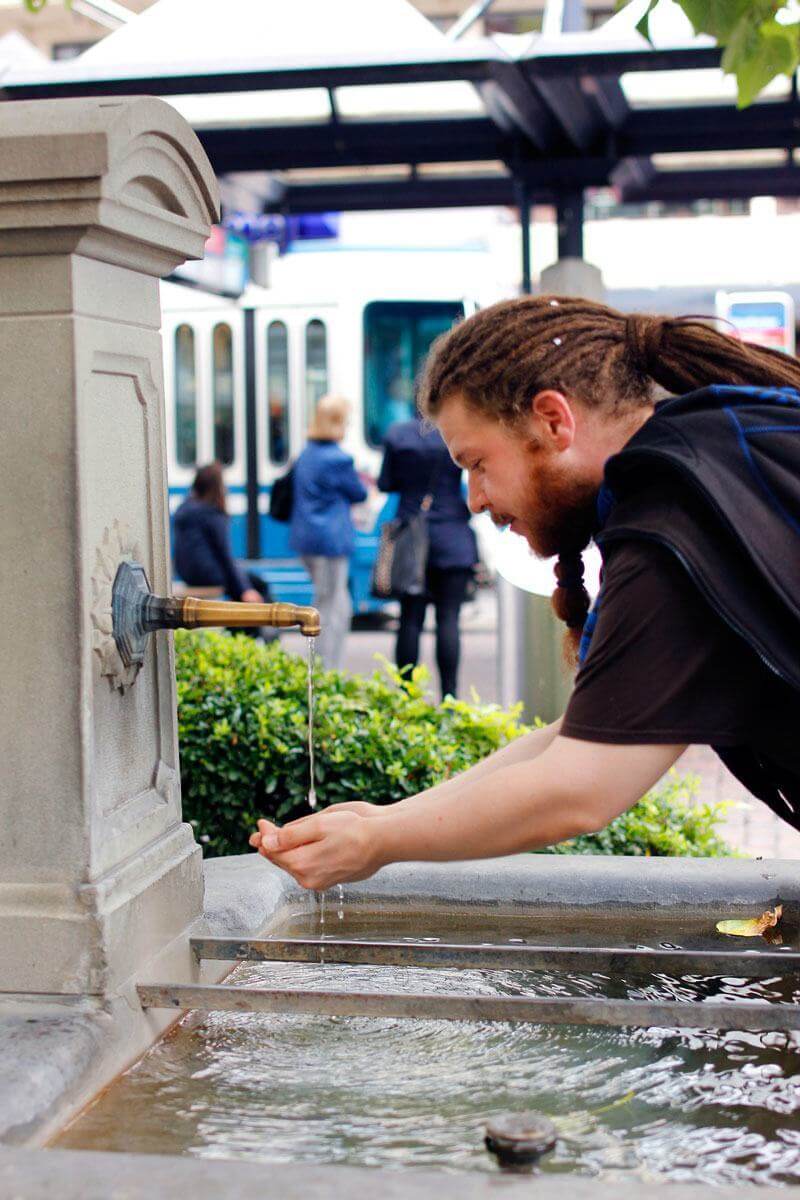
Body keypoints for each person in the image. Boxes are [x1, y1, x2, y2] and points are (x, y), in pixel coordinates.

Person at [251, 295, 800, 890]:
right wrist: (384, 822)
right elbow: (579, 737)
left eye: (478, 463)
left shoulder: (675, 520)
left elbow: (580, 788)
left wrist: (379, 842)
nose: (475, 499)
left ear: (553, 421)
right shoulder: (718, 456)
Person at [377, 417, 478, 699]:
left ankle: (406, 695)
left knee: (409, 620)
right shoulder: (457, 430)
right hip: (452, 536)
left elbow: (386, 483)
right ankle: (449, 697)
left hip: (411, 538)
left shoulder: (398, 435)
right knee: (449, 619)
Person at [290, 394, 367, 669]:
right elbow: (358, 493)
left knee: (338, 603)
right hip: (330, 543)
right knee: (330, 606)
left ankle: (327, 664)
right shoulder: (339, 459)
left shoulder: (306, 454)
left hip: (306, 540)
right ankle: (324, 669)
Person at [172, 463, 270, 636]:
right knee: (257, 585)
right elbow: (225, 557)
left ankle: (238, 635)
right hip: (208, 574)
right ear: (217, 487)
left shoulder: (185, 508)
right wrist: (245, 589)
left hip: (188, 573)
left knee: (242, 586)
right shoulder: (212, 514)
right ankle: (251, 638)